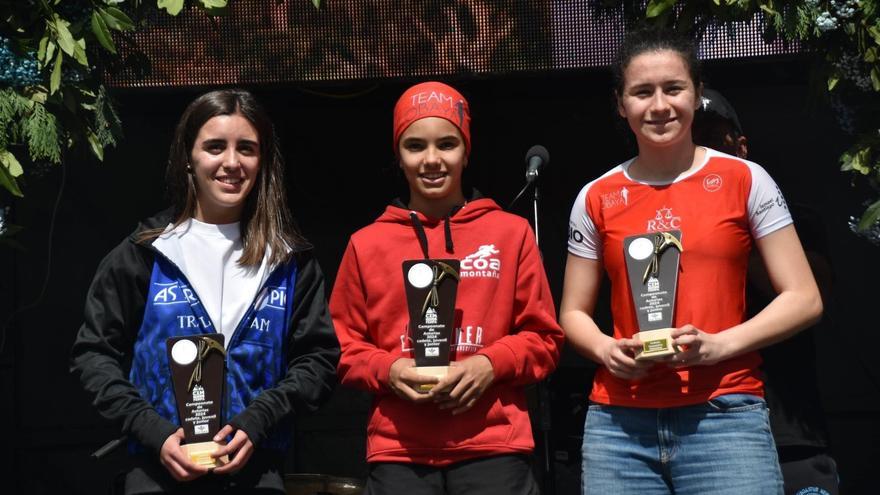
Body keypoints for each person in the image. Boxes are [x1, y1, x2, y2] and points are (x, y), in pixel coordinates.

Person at [559, 28, 823, 494]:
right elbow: (573, 313)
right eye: (642, 92)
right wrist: (605, 350)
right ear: (621, 105)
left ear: (697, 95)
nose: (659, 106)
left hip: (725, 417)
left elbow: (804, 298)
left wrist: (719, 346)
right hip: (619, 427)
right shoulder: (596, 196)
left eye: (673, 89)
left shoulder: (744, 178)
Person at [70, 89, 340, 494]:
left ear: (262, 161)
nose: (231, 163)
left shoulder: (289, 259)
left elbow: (319, 361)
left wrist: (258, 420)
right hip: (157, 473)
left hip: (256, 473)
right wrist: (155, 433)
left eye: (246, 149)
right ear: (188, 159)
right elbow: (93, 356)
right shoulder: (146, 252)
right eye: (215, 147)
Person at [330, 81, 564, 494]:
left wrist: (489, 365)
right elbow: (342, 349)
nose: (432, 159)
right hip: (399, 452)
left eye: (448, 144)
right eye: (415, 146)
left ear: (467, 150)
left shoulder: (511, 234)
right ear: (398, 156)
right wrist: (389, 370)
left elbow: (544, 339)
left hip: (495, 448)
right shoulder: (366, 244)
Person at [694, 88, 840, 495]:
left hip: (788, 433)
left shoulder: (790, 215)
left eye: (714, 137)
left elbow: (816, 296)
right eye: (695, 140)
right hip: (702, 427)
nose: (705, 152)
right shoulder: (660, 219)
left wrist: (726, 227)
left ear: (741, 147)